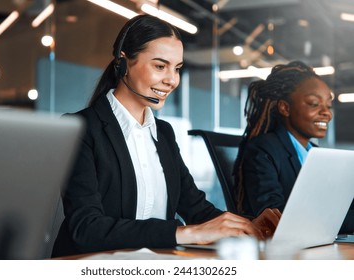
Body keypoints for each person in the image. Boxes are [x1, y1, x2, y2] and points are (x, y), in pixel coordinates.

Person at [51, 15, 281, 257]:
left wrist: (249, 225)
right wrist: (186, 233)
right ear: (123, 64)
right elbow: (87, 229)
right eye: (160, 66)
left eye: (177, 68)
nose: (172, 80)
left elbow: (197, 209)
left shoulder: (163, 133)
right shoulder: (80, 128)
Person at [233, 61, 353, 233]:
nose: (327, 113)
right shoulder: (262, 149)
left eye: (328, 105)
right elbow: (274, 215)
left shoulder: (316, 154)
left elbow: (340, 205)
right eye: (314, 103)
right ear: (285, 107)